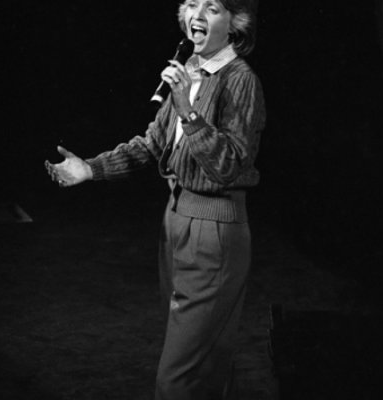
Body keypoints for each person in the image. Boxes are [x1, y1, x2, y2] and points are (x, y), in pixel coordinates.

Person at [45, 0, 266, 398]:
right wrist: (91, 169)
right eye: (192, 4)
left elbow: (230, 164)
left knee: (178, 379)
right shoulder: (189, 74)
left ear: (235, 24)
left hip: (213, 229)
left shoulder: (240, 80)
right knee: (205, 364)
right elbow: (151, 146)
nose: (197, 14)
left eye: (212, 7)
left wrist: (188, 112)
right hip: (176, 221)